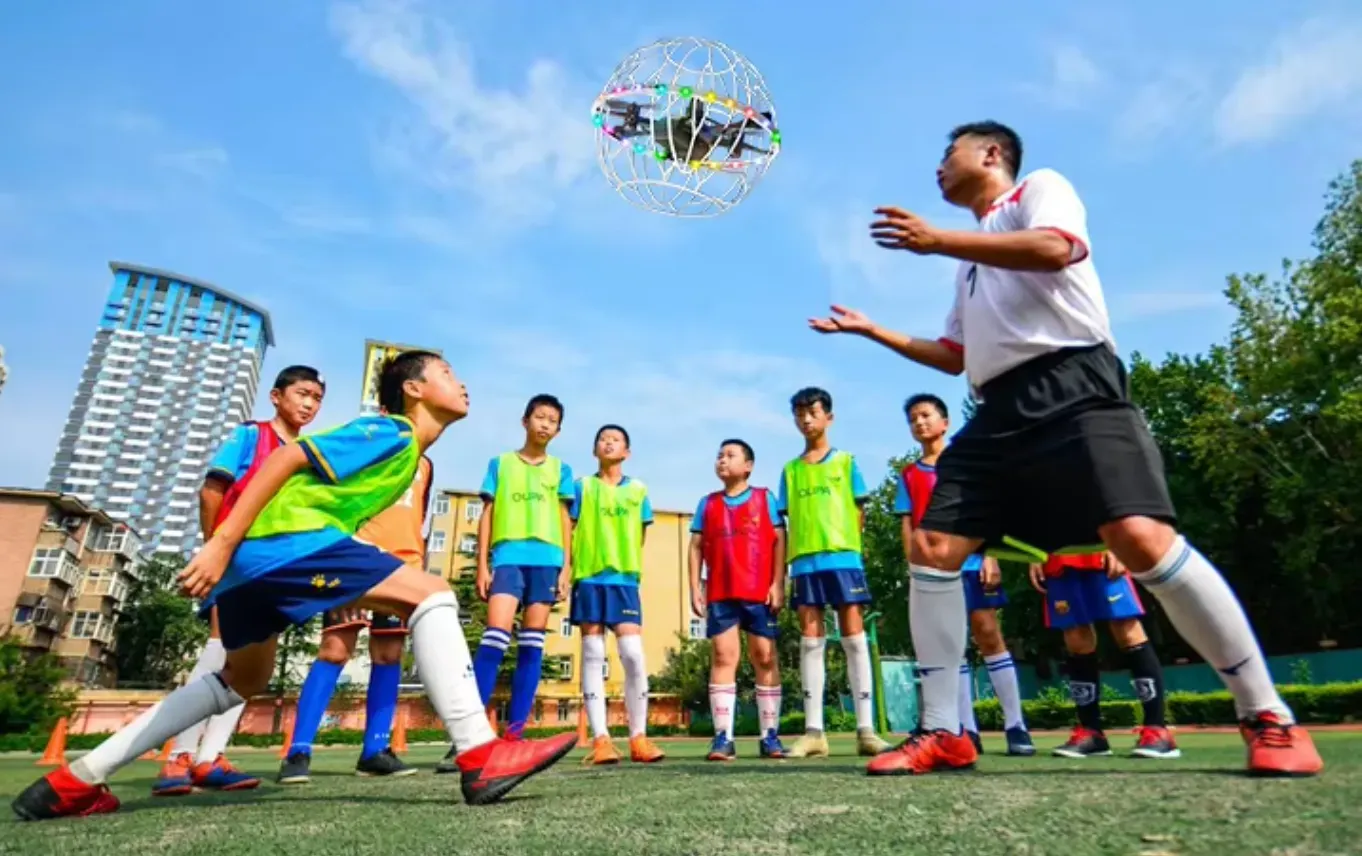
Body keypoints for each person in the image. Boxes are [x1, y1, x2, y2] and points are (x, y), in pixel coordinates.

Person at [809, 120, 1321, 777]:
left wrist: (936, 241)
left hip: (1075, 383)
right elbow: (955, 355)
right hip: (997, 411)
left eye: (948, 153)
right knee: (931, 547)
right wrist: (873, 330)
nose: (938, 167)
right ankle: (943, 730)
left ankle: (1267, 713)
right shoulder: (969, 263)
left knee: (1140, 538)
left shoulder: (1037, 191)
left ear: (991, 154)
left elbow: (1055, 248)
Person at [12, 352, 578, 822]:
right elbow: (288, 456)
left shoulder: (411, 456)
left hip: (258, 561)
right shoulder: (392, 431)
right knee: (433, 593)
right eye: (448, 373)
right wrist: (221, 542)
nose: (462, 383)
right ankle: (479, 753)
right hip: (285, 543)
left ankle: (75, 780)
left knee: (242, 679)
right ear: (414, 389)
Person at [152, 365, 325, 797]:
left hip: (273, 566)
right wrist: (215, 549)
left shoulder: (305, 454)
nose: (309, 404)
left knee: (250, 664)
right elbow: (212, 490)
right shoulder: (251, 436)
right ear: (276, 396)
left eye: (317, 398)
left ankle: (210, 757)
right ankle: (180, 755)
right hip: (235, 560)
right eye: (302, 393)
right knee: (218, 651)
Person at [276, 453, 436, 784]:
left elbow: (416, 516)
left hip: (402, 566)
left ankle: (375, 751)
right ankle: (298, 751)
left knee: (389, 655)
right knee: (335, 650)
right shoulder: (368, 448)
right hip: (355, 561)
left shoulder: (425, 464)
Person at [897, 393, 1033, 756]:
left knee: (988, 634)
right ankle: (965, 729)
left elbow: (987, 512)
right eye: (913, 419)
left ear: (945, 422)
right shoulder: (909, 475)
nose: (919, 423)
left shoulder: (965, 464)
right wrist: (914, 569)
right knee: (947, 645)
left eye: (926, 415)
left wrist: (991, 557)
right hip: (933, 572)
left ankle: (1016, 725)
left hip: (971, 563)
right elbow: (908, 526)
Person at [779, 388, 892, 759]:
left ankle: (866, 731)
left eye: (812, 412)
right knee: (810, 640)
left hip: (843, 561)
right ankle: (814, 733)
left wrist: (849, 550)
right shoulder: (790, 470)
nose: (806, 419)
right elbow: (786, 520)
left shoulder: (846, 462)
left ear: (829, 417)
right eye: (799, 413)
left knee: (854, 638)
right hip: (805, 563)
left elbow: (859, 512)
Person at [470, 395, 575, 739]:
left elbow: (565, 520)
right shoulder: (500, 464)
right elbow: (487, 514)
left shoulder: (562, 470)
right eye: (540, 417)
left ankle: (515, 732)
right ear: (525, 421)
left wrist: (566, 568)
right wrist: (482, 564)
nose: (545, 424)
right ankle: (468, 732)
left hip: (547, 561)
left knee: (532, 642)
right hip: (507, 558)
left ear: (558, 431)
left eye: (552, 421)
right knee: (495, 636)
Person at [688, 439, 788, 761]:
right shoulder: (707, 504)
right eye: (719, 455)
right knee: (723, 656)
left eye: (730, 455)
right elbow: (695, 547)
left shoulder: (765, 498)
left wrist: (778, 583)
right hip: (721, 592)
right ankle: (723, 737)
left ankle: (770, 735)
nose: (722, 460)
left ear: (748, 466)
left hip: (759, 593)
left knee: (765, 657)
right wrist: (695, 587)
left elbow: (779, 540)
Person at [572, 425, 666, 765]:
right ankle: (601, 740)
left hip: (624, 581)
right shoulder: (582, 486)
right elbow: (570, 526)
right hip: (588, 577)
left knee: (633, 655)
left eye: (615, 440)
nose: (608, 443)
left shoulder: (638, 489)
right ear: (594, 449)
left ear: (626, 452)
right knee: (593, 653)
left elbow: (640, 533)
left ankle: (638, 738)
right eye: (602, 439)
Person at [1029, 551, 1179, 759]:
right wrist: (1035, 554)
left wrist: (1116, 547)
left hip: (1100, 550)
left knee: (1125, 627)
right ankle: (1091, 733)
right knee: (1075, 635)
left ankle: (1157, 730)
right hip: (1057, 556)